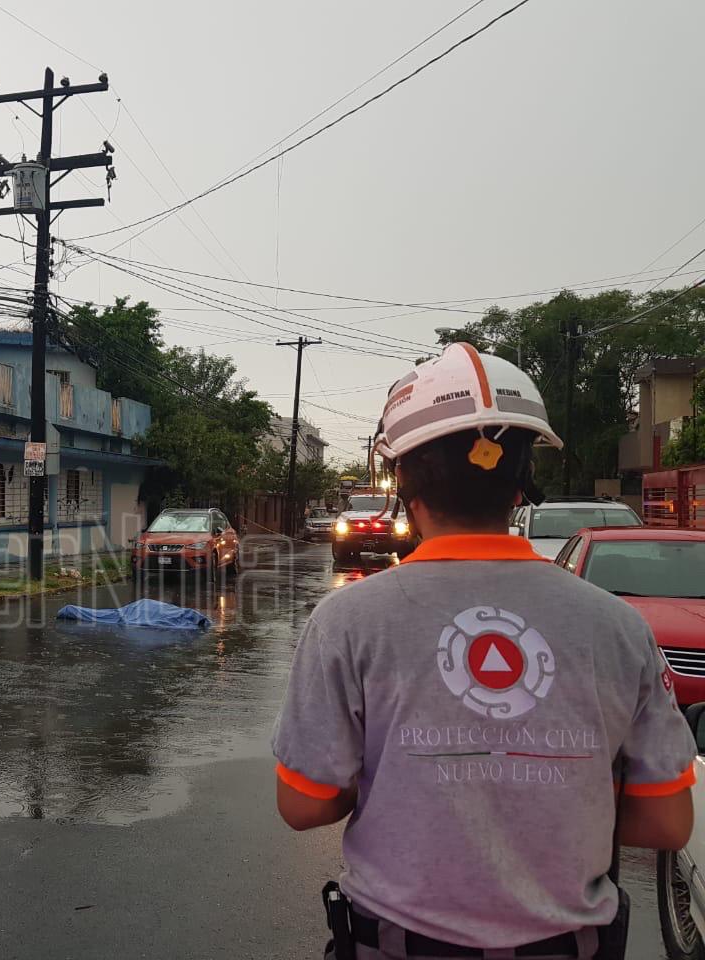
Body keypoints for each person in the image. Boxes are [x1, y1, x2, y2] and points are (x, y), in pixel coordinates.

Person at [272, 343, 695, 960]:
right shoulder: (619, 626)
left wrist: (407, 782)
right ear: (522, 480)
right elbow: (666, 821)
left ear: (401, 480)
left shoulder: (347, 621)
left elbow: (303, 804)